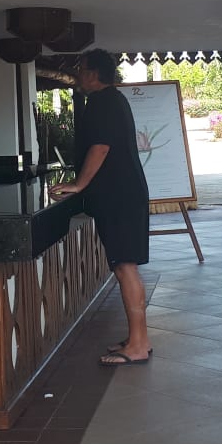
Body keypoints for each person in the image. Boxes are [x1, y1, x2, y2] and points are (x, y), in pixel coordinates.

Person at [50, 48, 152, 366]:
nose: (77, 74)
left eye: (81, 68)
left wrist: (78, 184)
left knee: (125, 266)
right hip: (123, 194)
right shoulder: (113, 100)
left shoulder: (102, 101)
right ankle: (137, 340)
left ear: (93, 74)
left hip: (120, 196)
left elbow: (101, 146)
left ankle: (138, 345)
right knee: (123, 267)